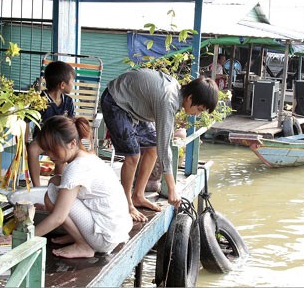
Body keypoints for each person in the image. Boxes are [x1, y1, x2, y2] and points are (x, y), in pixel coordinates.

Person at [101, 68, 219, 222]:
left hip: (132, 104)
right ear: (190, 98)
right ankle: (126, 204)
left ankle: (138, 196)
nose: (198, 114)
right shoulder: (168, 101)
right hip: (115, 101)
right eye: (199, 109)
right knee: (133, 155)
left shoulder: (176, 93)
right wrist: (172, 190)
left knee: (153, 147)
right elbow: (166, 148)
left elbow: (161, 145)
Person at [34, 116, 132, 258]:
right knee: (55, 181)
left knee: (51, 195)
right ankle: (77, 236)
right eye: (46, 150)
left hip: (105, 238)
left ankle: (83, 245)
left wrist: (25, 238)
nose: (49, 155)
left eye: (53, 150)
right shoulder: (87, 156)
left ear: (73, 143)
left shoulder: (76, 168)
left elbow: (58, 217)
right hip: (115, 230)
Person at [27, 61, 76, 187]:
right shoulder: (40, 101)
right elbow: (26, 119)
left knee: (62, 150)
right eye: (72, 81)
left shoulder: (68, 102)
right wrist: (25, 140)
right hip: (42, 139)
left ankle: (59, 185)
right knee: (32, 149)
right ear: (62, 85)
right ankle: (37, 187)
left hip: (60, 139)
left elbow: (71, 124)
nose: (73, 84)